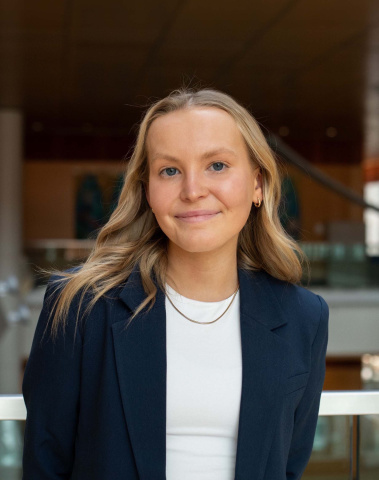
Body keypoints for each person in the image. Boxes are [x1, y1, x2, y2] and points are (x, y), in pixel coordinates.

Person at [22, 87, 329, 480]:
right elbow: (46, 465)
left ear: (257, 184)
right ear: (148, 191)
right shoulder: (80, 307)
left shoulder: (303, 317)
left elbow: (287, 465)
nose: (192, 190)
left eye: (216, 165)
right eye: (170, 170)